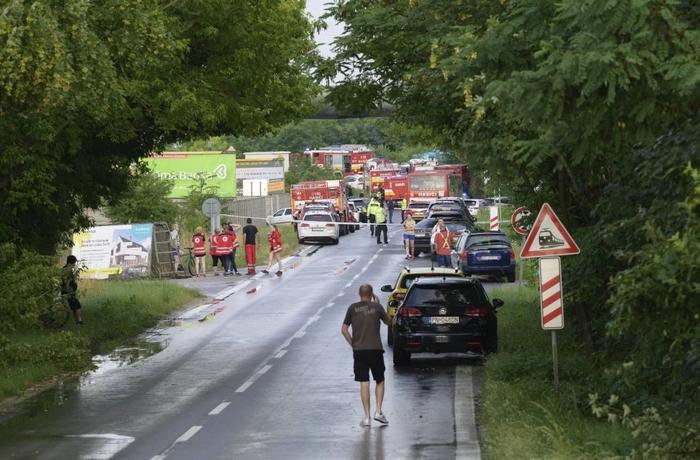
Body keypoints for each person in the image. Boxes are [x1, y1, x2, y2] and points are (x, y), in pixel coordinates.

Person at [341, 284, 391, 427]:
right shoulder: (377, 307)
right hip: (375, 349)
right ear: (371, 294)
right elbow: (389, 322)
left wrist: (353, 345)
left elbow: (344, 329)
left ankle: (367, 417)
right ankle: (379, 412)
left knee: (364, 382)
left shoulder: (352, 308)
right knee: (380, 380)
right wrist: (379, 305)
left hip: (359, 351)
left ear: (360, 294)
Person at [61, 255, 83, 324]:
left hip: (66, 290)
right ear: (70, 263)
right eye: (74, 263)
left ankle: (77, 321)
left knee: (74, 306)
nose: (74, 264)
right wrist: (69, 290)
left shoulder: (64, 269)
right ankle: (79, 321)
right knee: (77, 305)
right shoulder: (68, 270)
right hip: (69, 290)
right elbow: (67, 281)